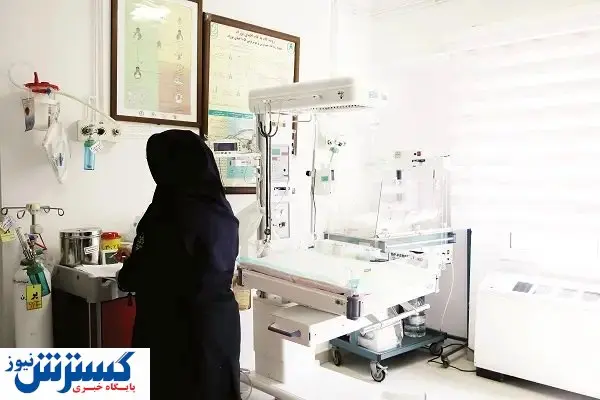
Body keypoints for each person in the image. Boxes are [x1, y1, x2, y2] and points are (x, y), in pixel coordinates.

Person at [116, 129, 241, 399]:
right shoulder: (221, 210)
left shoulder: (165, 213)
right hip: (219, 327)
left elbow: (138, 276)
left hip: (174, 333)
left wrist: (130, 266)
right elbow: (195, 260)